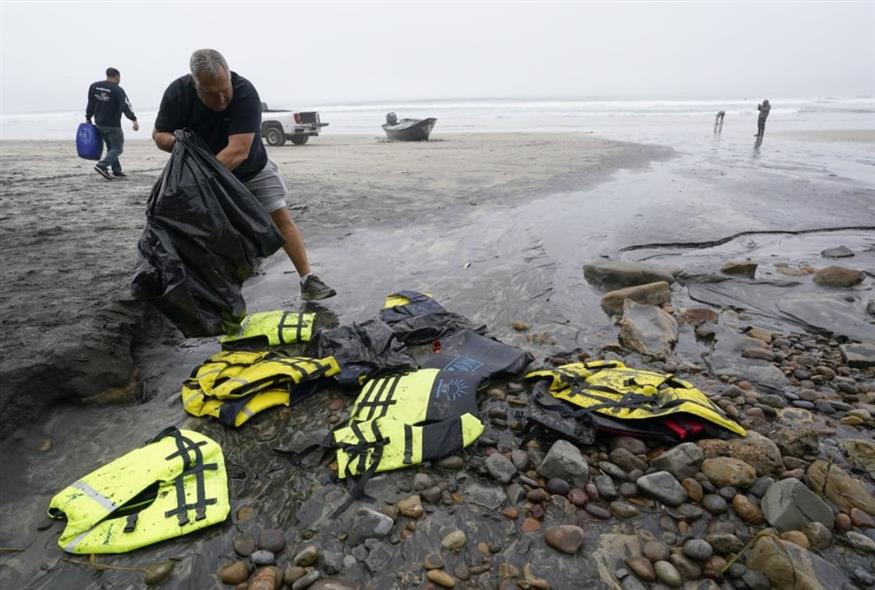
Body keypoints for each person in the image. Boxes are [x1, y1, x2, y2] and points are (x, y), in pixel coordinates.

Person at [152, 49, 335, 301]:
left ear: (229, 75)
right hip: (202, 174)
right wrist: (178, 142)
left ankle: (308, 279)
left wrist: (202, 185)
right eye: (210, 92)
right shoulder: (177, 93)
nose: (221, 99)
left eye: (224, 89)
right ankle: (214, 294)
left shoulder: (245, 92)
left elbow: (237, 151)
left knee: (280, 217)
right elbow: (159, 135)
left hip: (250, 168)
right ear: (194, 83)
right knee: (207, 233)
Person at [86, 67, 139, 179]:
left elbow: (90, 103)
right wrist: (133, 119)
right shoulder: (117, 90)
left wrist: (88, 118)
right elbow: (126, 105)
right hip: (113, 125)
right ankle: (102, 165)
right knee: (118, 148)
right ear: (117, 77)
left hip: (99, 123)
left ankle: (116, 170)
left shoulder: (94, 86)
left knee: (111, 147)